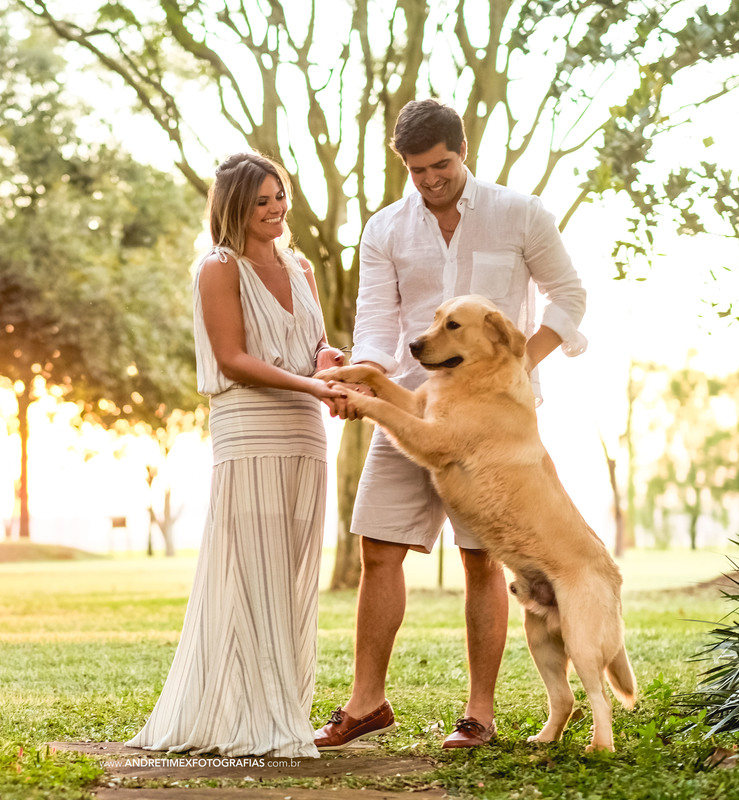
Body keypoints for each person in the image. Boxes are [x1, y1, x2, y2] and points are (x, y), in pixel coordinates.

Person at [314, 99, 588, 751]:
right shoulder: (384, 228)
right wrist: (364, 373)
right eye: (417, 171)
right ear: (404, 165)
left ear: (462, 151)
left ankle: (479, 715)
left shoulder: (520, 213)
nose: (431, 180)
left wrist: (516, 366)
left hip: (495, 426)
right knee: (377, 547)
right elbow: (379, 320)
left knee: (479, 559)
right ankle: (366, 702)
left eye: (441, 166)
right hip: (412, 407)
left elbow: (569, 295)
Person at [126, 152, 345, 758]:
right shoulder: (218, 268)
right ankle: (251, 717)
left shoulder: (301, 265)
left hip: (306, 434)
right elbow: (233, 359)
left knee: (293, 574)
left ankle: (283, 709)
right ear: (235, 208)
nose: (276, 210)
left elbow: (317, 346)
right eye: (262, 202)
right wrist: (314, 386)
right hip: (250, 432)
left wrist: (333, 367)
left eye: (281, 197)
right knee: (253, 572)